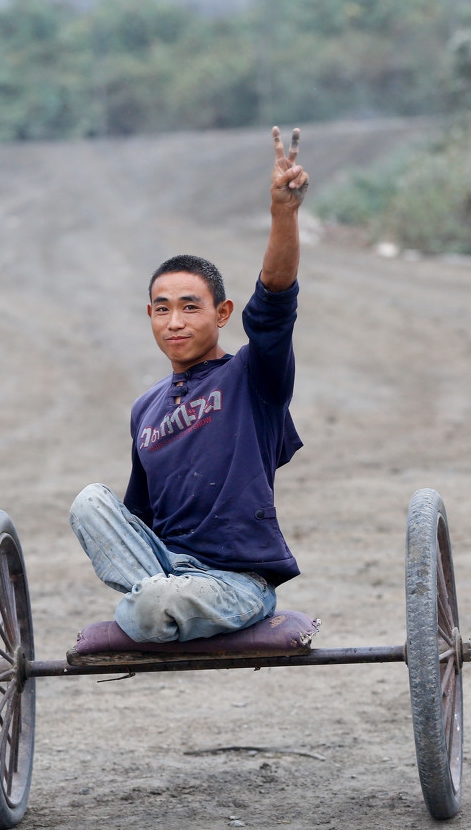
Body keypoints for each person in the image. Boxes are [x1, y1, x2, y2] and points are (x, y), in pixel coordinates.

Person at [69, 126, 311, 644]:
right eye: (162, 309)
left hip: (234, 582)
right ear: (150, 318)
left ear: (222, 313)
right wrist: (154, 573)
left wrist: (283, 213)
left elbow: (274, 303)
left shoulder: (252, 376)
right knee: (90, 500)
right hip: (162, 568)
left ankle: (153, 609)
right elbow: (138, 521)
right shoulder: (146, 410)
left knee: (153, 606)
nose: (174, 321)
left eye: (189, 307)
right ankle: (154, 604)